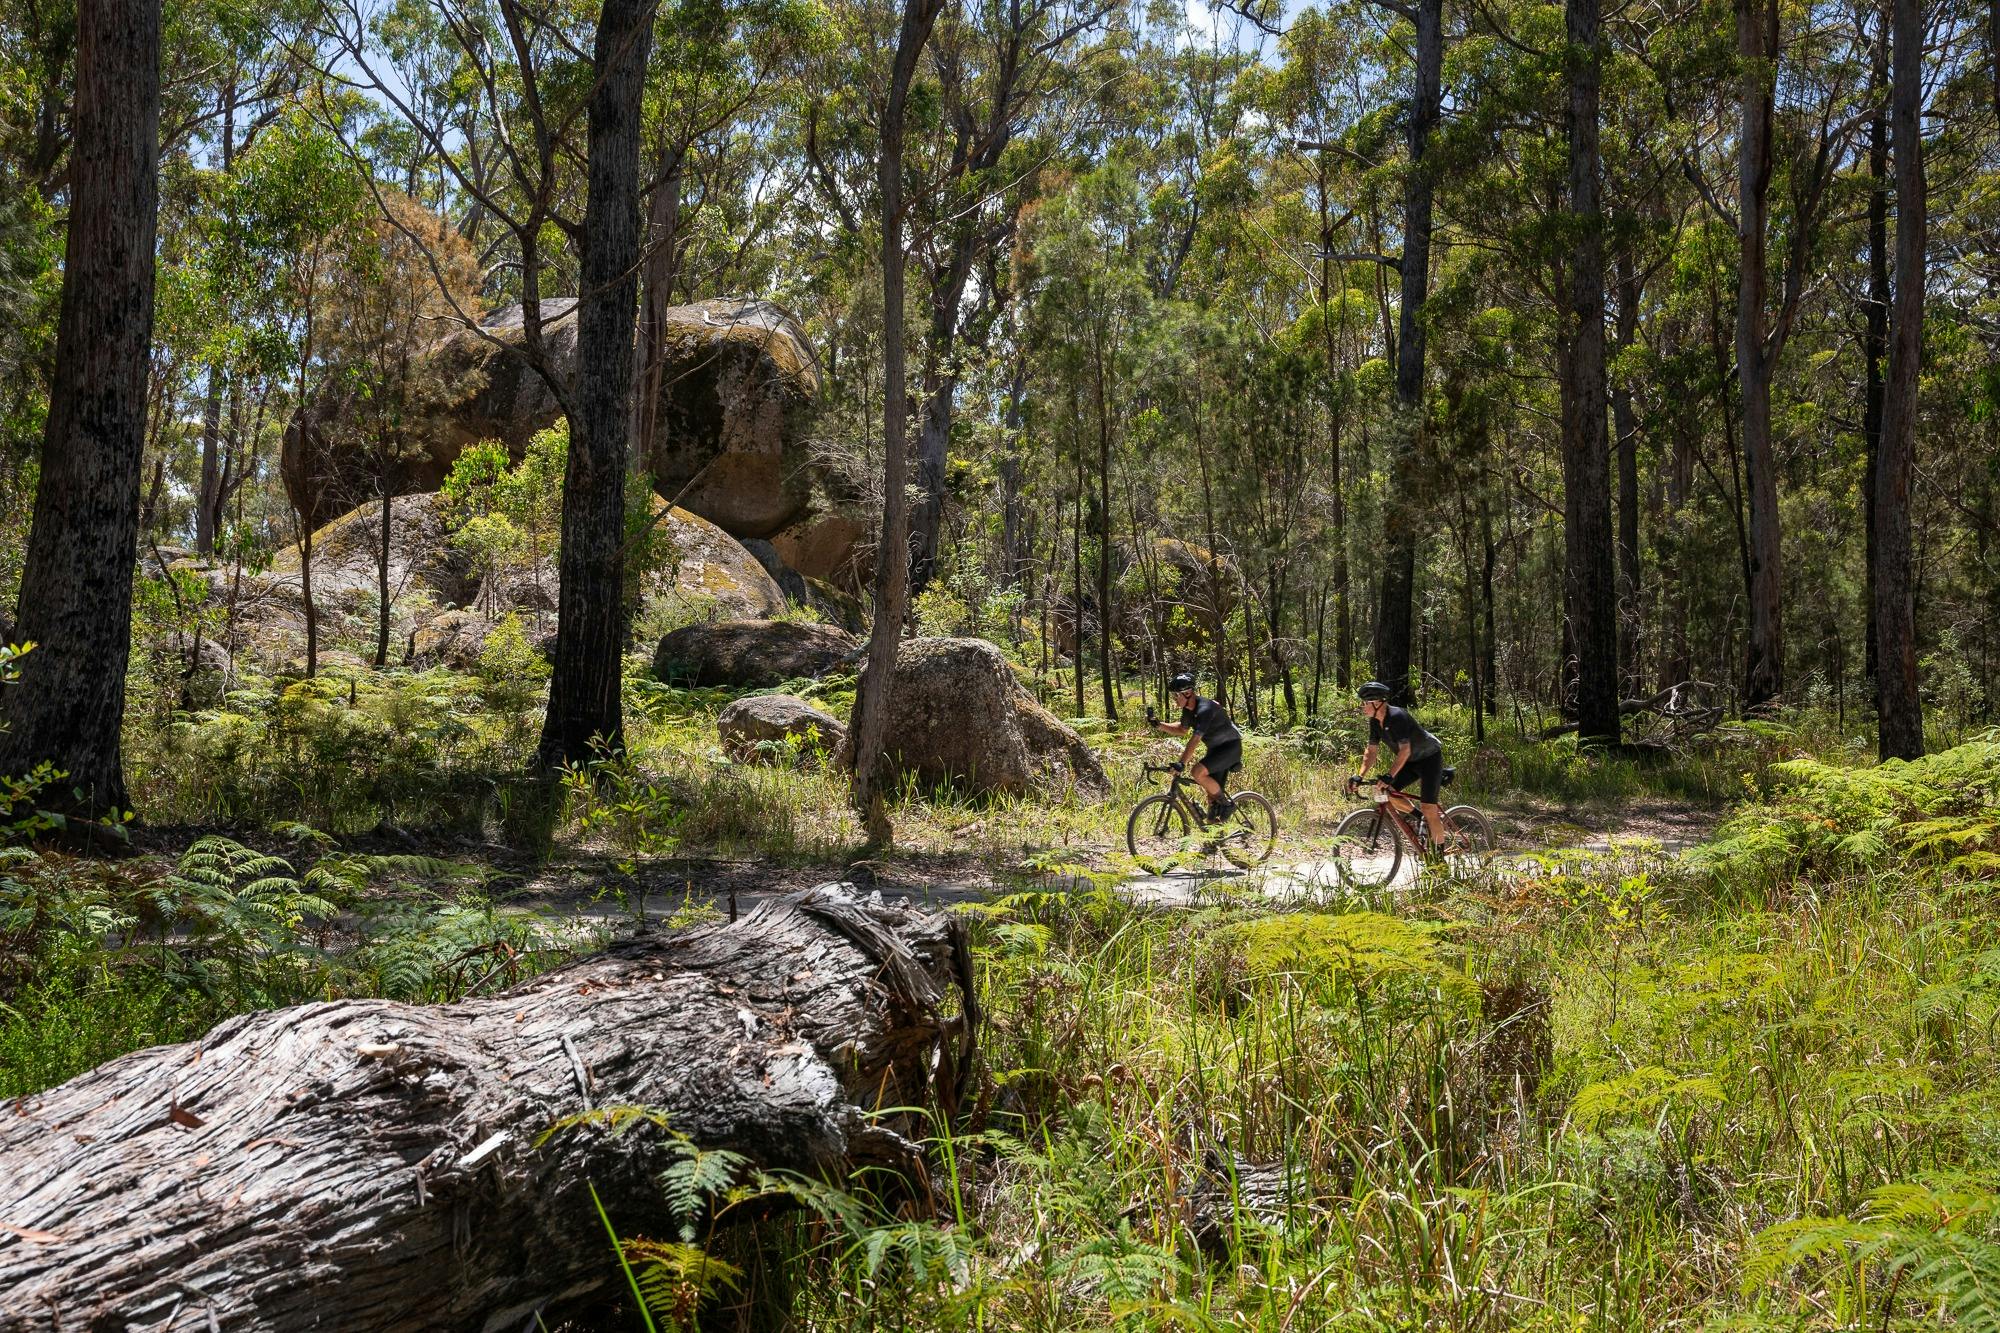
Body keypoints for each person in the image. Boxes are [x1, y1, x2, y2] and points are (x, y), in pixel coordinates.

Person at [1347, 680, 1448, 847]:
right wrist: (1359, 775)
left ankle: (1438, 859)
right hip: (1410, 761)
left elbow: (1405, 750)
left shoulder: (1397, 717)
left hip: (1429, 759)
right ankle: (1419, 816)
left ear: (1378, 703)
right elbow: (1371, 752)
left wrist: (1389, 775)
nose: (1362, 707)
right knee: (1386, 791)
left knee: (1429, 807)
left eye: (1365, 703)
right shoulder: (1375, 721)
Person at [1148, 673, 1241, 818]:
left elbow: (1195, 739)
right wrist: (1160, 725)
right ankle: (1215, 838)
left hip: (1230, 748)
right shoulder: (1188, 710)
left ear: (1188, 693)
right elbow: (1182, 729)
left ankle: (1227, 805)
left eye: (1176, 695)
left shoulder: (1205, 708)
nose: (1174, 699)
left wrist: (1182, 763)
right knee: (1212, 801)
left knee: (1197, 772)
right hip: (1215, 750)